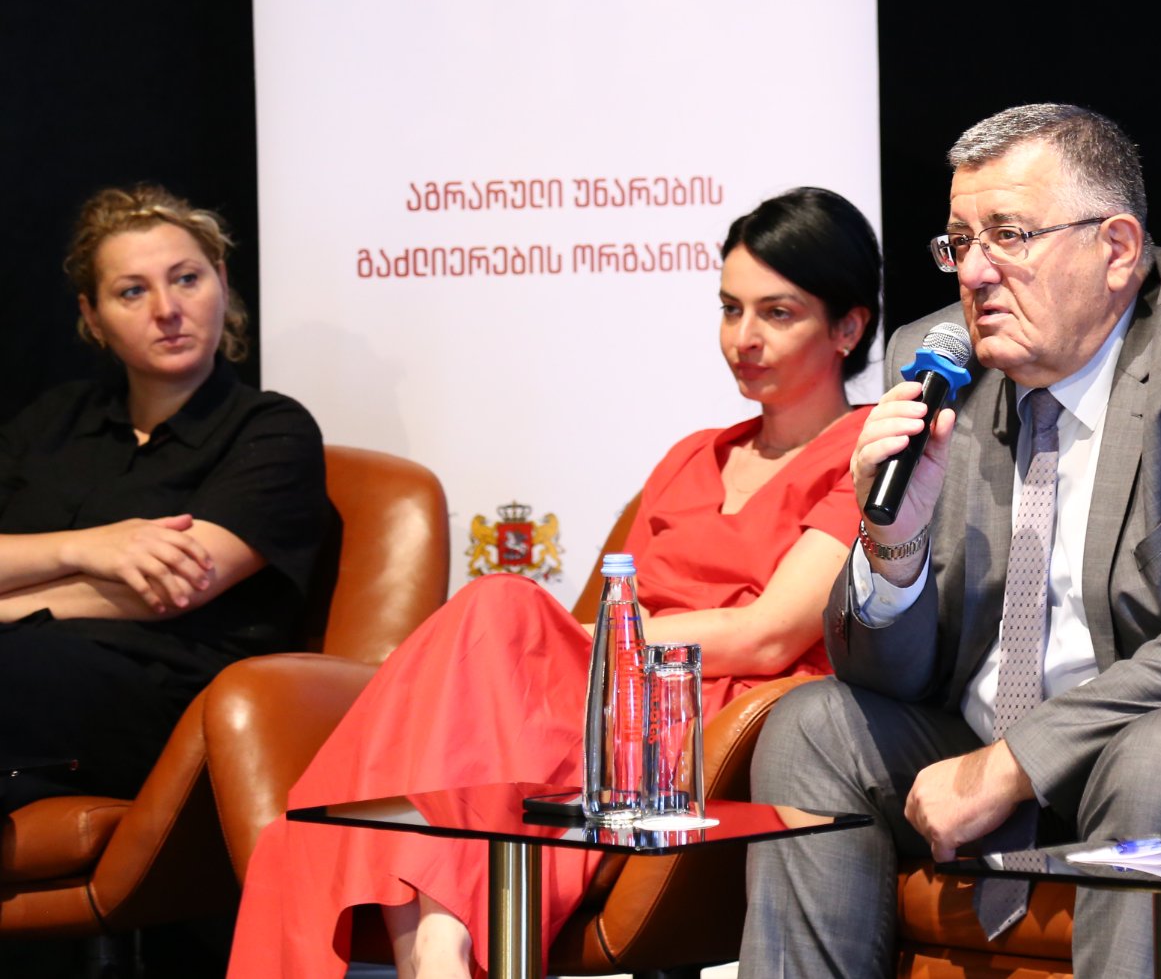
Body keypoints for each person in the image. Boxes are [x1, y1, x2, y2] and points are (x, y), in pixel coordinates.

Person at [741, 104, 1161, 978]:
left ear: (1117, 249)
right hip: (984, 735)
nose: (975, 271)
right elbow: (883, 675)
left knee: (1159, 757)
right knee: (812, 725)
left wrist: (1017, 761)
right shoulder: (935, 361)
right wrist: (892, 539)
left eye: (1009, 235)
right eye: (959, 242)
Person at [224, 186, 881, 979]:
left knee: (502, 609)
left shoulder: (864, 453)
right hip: (607, 697)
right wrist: (578, 646)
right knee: (489, 648)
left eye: (778, 313)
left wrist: (575, 641)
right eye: (730, 308)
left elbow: (769, 633)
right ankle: (434, 948)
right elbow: (619, 604)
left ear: (847, 327)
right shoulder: (690, 455)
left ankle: (436, 953)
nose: (743, 338)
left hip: (709, 718)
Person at [1, 184, 333, 812]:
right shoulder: (53, 420)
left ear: (222, 284)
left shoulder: (271, 429)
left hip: (162, 704)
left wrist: (10, 601)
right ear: (92, 316)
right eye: (132, 291)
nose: (167, 309)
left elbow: (172, 587)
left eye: (186, 279)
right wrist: (85, 547)